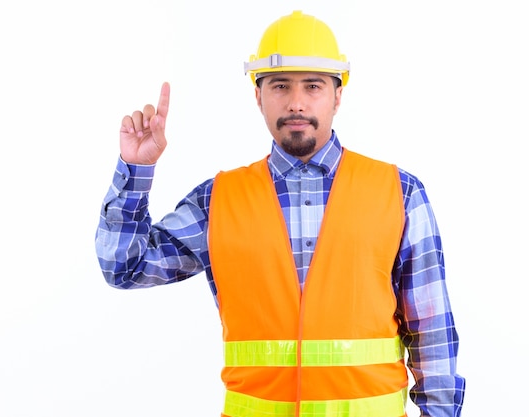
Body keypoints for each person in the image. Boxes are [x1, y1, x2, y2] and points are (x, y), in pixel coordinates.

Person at [95, 10, 465, 417]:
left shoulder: (400, 192)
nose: (295, 102)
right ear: (258, 95)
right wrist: (136, 169)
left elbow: (432, 332)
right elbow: (124, 267)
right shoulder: (219, 200)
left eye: (313, 86)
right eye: (280, 85)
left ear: (338, 95)